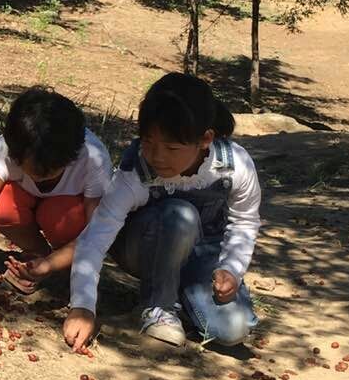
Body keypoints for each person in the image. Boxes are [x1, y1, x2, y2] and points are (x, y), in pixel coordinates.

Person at [63, 73, 261, 352]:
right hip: (143, 247)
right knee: (182, 215)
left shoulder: (235, 165)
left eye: (171, 147)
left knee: (233, 331)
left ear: (205, 139)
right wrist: (83, 306)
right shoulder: (137, 171)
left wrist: (232, 268)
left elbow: (245, 220)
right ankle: (158, 306)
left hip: (201, 254)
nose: (157, 157)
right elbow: (96, 236)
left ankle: (182, 289)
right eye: (148, 142)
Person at [0, 88, 112, 308]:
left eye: (48, 170)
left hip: (65, 217)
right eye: (31, 168)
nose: (38, 175)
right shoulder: (3, 151)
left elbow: (97, 233)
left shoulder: (94, 158)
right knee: (1, 205)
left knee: (58, 213)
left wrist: (51, 264)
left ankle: (64, 266)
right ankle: (37, 253)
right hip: (24, 206)